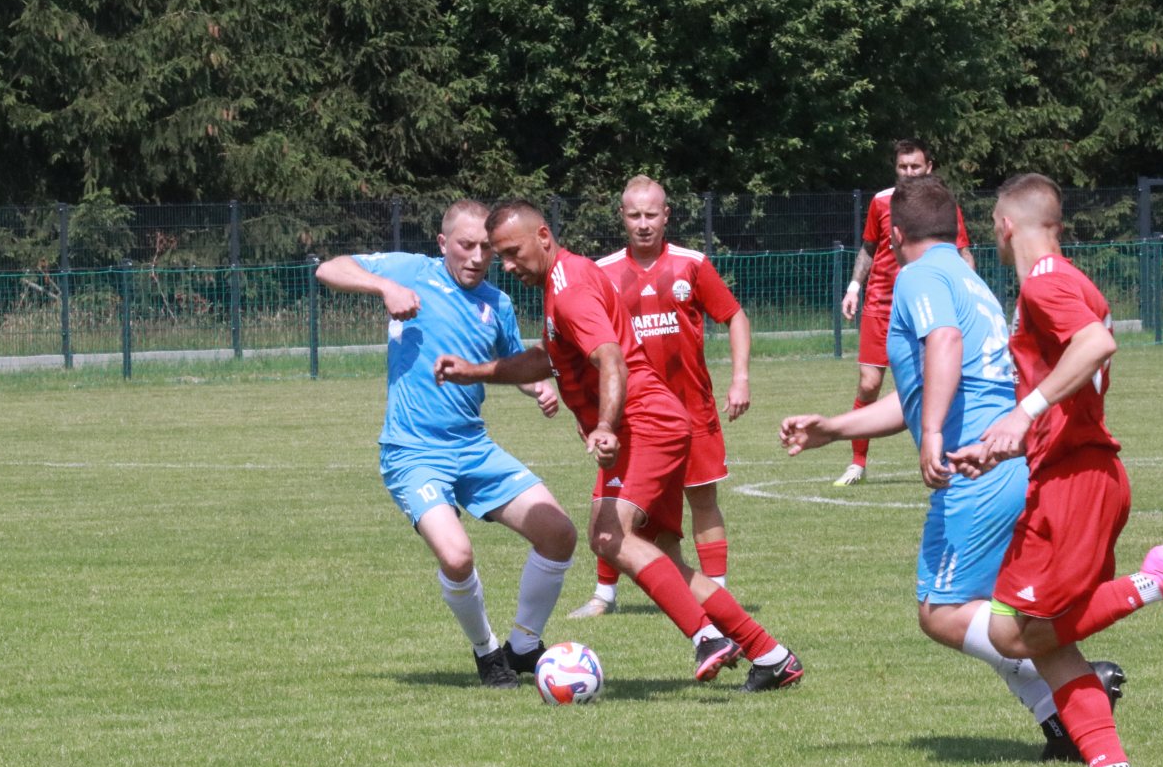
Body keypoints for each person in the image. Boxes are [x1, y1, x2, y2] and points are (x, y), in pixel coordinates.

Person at [780, 176, 1123, 758]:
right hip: (1003, 460)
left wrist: (933, 433)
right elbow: (921, 391)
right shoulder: (973, 281)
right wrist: (837, 427)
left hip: (974, 470)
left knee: (942, 613)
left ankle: (1078, 684)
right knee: (996, 611)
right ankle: (1064, 718)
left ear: (891, 234)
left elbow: (942, 346)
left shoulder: (919, 276)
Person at [947, 173, 1163, 767]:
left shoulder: (1045, 283)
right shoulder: (1075, 281)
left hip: (1075, 484)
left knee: (1017, 634)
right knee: (1032, 635)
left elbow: (1096, 342)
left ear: (1002, 225)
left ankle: (1155, 581)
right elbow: (1077, 388)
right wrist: (1004, 443)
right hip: (1069, 473)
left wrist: (1021, 413)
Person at [435, 199, 802, 690]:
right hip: (652, 424)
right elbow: (550, 361)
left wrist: (605, 424)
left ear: (543, 236)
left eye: (512, 252)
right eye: (501, 255)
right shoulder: (566, 280)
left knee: (609, 536)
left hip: (642, 425)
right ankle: (771, 655)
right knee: (661, 556)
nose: (505, 265)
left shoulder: (568, 292)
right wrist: (474, 372)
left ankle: (707, 638)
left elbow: (610, 358)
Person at [314, 200, 577, 689]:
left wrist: (536, 386)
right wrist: (385, 286)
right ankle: (487, 654)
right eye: (466, 245)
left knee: (559, 532)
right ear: (442, 244)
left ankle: (523, 646)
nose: (477, 257)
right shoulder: (411, 271)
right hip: (412, 453)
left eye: (487, 249)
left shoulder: (496, 303)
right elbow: (330, 268)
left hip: (473, 448)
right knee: (457, 557)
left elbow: (511, 359)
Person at [567, 176, 752, 619]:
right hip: (632, 413)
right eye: (635, 215)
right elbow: (582, 345)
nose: (644, 224)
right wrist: (588, 410)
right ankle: (603, 596)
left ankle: (716, 595)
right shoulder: (602, 272)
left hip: (693, 410)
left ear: (666, 215)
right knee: (614, 501)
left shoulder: (692, 264)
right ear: (622, 217)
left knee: (703, 502)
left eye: (652, 214)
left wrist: (740, 378)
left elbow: (735, 316)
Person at [835, 138, 975, 487]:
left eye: (915, 166)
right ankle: (858, 462)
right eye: (902, 167)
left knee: (933, 384)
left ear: (929, 167)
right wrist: (854, 287)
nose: (909, 173)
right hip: (882, 304)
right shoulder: (881, 201)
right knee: (869, 384)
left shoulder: (944, 205)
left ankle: (941, 454)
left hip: (928, 308)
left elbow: (962, 252)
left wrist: (969, 291)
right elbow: (869, 247)